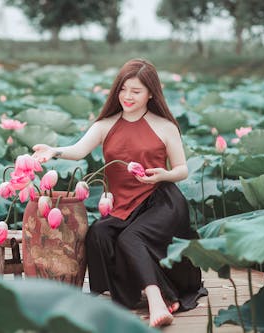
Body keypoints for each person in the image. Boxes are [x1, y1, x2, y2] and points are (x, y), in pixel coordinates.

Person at [32, 58, 206, 327]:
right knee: (99, 235)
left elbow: (182, 169)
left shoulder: (165, 126)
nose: (127, 96)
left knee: (130, 239)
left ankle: (157, 300)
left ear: (151, 93)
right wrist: (54, 151)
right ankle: (139, 294)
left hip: (161, 201)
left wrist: (164, 175)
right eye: (123, 90)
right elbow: (78, 150)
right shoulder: (106, 125)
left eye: (136, 91)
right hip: (123, 205)